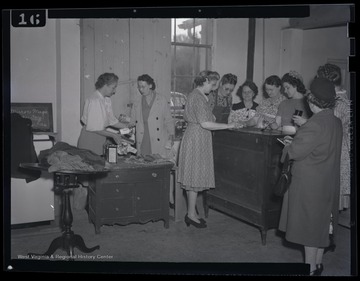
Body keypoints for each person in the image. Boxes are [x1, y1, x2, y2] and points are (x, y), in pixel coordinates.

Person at [278, 77, 343, 276]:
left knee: (308, 229)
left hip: (309, 185)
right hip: (327, 182)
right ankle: (318, 264)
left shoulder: (314, 124)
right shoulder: (335, 121)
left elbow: (293, 153)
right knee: (321, 227)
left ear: (312, 101)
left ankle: (310, 269)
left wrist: (288, 144)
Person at [177, 70, 235, 228]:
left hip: (198, 137)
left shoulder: (201, 96)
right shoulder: (197, 97)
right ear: (205, 82)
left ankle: (192, 213)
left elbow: (207, 118)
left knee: (193, 178)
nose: (214, 87)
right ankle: (190, 214)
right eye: (213, 84)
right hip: (197, 137)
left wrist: (213, 118)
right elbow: (205, 124)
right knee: (194, 177)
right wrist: (228, 125)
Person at [317, 63, 351, 211]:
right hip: (333, 148)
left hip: (336, 152)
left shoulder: (339, 103)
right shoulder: (336, 99)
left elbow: (327, 126)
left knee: (329, 200)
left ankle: (327, 231)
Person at [77, 73, 129, 155]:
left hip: (100, 137)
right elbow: (94, 128)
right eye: (113, 88)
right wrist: (114, 135)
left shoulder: (106, 100)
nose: (115, 91)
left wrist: (128, 127)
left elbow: (112, 121)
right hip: (90, 138)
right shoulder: (95, 100)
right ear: (105, 85)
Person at [130, 74, 175, 158]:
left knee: (157, 166)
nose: (141, 89)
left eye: (143, 87)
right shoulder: (137, 102)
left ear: (150, 85)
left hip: (158, 138)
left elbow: (168, 120)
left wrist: (171, 136)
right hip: (143, 139)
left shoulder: (161, 100)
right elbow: (132, 122)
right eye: (139, 87)